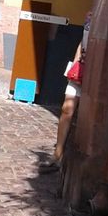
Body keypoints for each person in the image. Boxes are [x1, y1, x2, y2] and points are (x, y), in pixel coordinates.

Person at [39, 13, 90, 177]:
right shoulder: (90, 16)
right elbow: (83, 41)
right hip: (80, 68)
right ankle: (58, 154)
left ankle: (79, 157)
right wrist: (75, 62)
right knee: (67, 109)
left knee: (87, 116)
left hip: (94, 71)